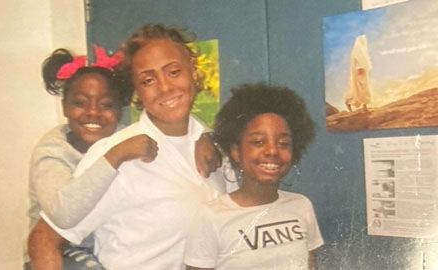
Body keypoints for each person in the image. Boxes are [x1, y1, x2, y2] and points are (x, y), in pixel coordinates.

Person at [29, 24, 231, 270]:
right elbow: (44, 236)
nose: (165, 87)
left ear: (193, 71)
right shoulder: (117, 155)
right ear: (137, 91)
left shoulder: (214, 146)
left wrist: (208, 136)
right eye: (148, 80)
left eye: (174, 72)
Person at [26, 47, 161, 270]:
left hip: (106, 243)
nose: (93, 112)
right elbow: (63, 214)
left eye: (106, 105)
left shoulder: (126, 135)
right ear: (65, 107)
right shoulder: (53, 151)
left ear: (119, 111)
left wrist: (205, 138)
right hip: (60, 249)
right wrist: (115, 155)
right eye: (80, 103)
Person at [184, 83, 324, 270]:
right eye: (258, 142)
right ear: (235, 152)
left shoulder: (301, 205)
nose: (273, 150)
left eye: (283, 143)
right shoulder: (212, 217)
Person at [345, 35, 372, 112]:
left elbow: (365, 62)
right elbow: (357, 62)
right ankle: (348, 102)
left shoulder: (362, 51)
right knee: (357, 89)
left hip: (364, 74)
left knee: (365, 89)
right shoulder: (357, 51)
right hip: (359, 73)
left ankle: (365, 106)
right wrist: (359, 68)